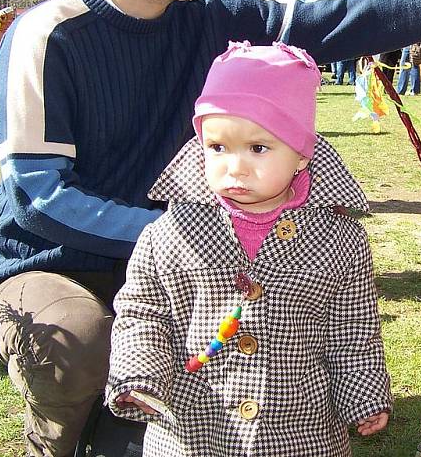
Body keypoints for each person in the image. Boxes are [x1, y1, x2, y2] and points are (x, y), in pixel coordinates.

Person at [0, 0, 421, 455]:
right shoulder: (46, 37)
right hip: (47, 264)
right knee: (82, 344)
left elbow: (327, 23)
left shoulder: (217, 16)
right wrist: (180, 233)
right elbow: (41, 198)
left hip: (175, 256)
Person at [106, 41, 390, 455]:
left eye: (258, 148)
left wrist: (363, 394)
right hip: (193, 431)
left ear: (301, 156)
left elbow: (353, 328)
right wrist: (139, 375)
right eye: (217, 147)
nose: (234, 166)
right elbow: (142, 315)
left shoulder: (340, 240)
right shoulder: (168, 234)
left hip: (300, 432)